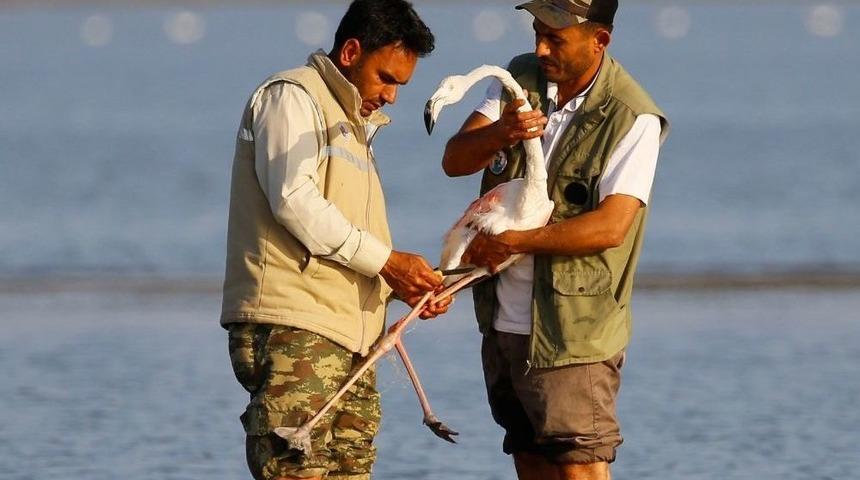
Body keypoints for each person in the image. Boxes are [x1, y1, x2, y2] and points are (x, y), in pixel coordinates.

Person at [441, 1, 670, 479]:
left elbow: (610, 227)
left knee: (578, 469)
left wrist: (512, 243)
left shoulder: (633, 116)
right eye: (537, 32)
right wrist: (502, 131)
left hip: (574, 336)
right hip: (503, 323)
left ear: (600, 41)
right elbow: (456, 159)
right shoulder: (518, 79)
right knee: (529, 461)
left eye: (557, 39)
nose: (541, 48)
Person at [220, 1, 448, 479]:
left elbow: (348, 240)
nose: (391, 97)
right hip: (295, 331)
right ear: (350, 52)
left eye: (399, 85)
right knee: (294, 470)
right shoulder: (292, 97)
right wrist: (388, 262)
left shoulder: (353, 124)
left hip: (351, 340)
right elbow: (294, 201)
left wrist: (401, 284)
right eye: (386, 78)